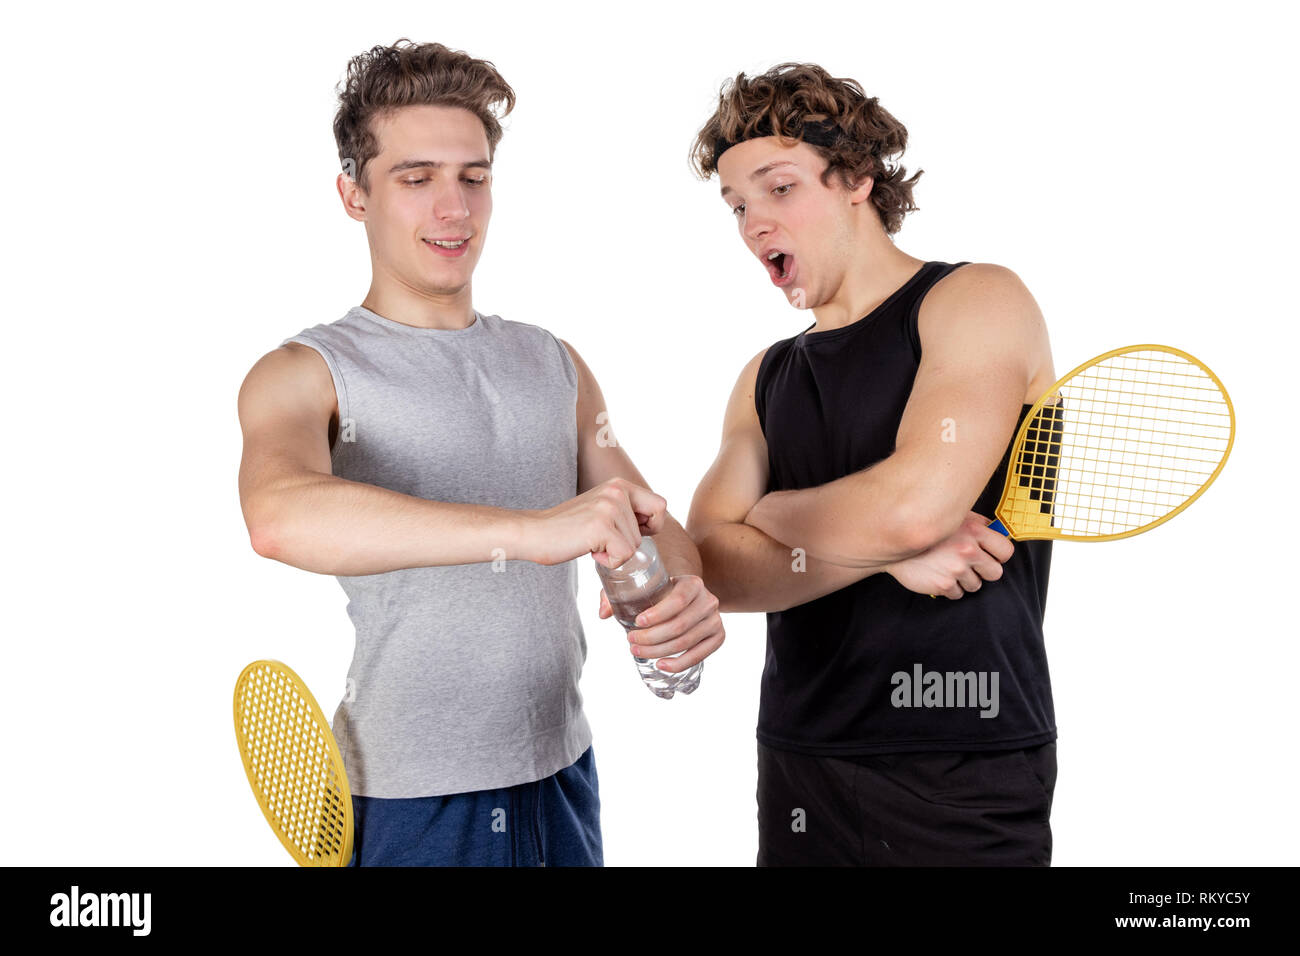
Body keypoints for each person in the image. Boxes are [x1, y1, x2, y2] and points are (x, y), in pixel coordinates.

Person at [235, 38, 726, 866]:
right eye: (416, 178)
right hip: (413, 798)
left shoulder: (553, 360)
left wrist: (680, 590)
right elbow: (277, 518)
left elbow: (641, 513)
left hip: (563, 773)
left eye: (473, 177)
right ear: (354, 194)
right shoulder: (306, 372)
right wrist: (530, 532)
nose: (453, 208)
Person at [685, 62, 1059, 866]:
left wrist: (775, 515)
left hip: (963, 759)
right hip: (800, 760)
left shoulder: (976, 300)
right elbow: (711, 563)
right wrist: (891, 554)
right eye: (737, 205)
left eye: (778, 189)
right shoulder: (765, 376)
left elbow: (913, 510)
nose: (753, 224)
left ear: (856, 178)